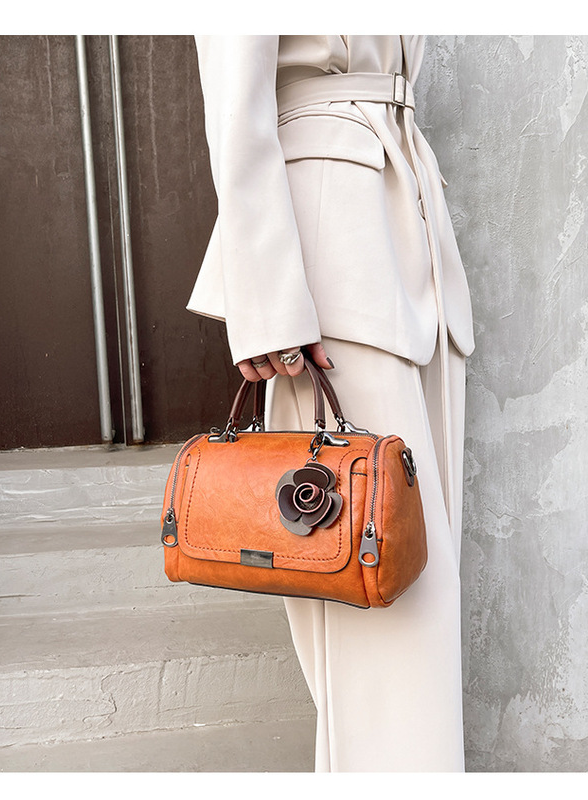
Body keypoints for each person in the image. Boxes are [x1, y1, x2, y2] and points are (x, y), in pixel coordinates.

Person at [187, 35, 475, 772]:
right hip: (330, 250)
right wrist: (267, 298)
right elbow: (235, 92)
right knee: (379, 586)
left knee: (418, 573)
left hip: (408, 222)